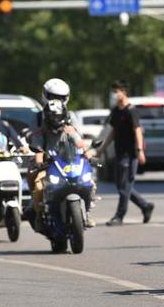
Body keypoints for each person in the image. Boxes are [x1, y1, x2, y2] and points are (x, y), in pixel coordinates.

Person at [28, 99, 95, 230]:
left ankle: (87, 213)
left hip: (70, 165)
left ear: (64, 115)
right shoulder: (40, 132)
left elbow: (80, 144)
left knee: (91, 183)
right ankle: (39, 216)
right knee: (38, 186)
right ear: (46, 116)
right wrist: (39, 163)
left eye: (58, 116)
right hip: (49, 168)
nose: (55, 119)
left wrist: (91, 158)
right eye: (52, 116)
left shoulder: (70, 130)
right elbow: (39, 151)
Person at [97, 81, 154, 226]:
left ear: (123, 92)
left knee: (125, 185)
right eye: (113, 91)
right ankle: (145, 205)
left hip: (131, 153)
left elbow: (138, 131)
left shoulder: (131, 110)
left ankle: (119, 216)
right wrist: (102, 149)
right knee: (121, 185)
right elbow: (113, 131)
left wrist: (140, 151)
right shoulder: (116, 110)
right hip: (119, 152)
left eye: (116, 91)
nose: (114, 94)